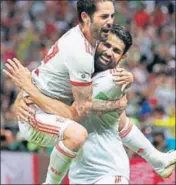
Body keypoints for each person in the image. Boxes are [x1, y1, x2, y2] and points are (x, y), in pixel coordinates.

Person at [5, 24, 176, 184]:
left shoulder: (112, 80)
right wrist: (22, 98)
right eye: (106, 45)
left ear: (123, 57)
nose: (109, 52)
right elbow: (123, 126)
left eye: (116, 50)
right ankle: (158, 160)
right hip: (80, 174)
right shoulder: (81, 70)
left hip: (107, 174)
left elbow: (73, 110)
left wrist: (29, 88)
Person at [4, 0, 127, 184]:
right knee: (78, 134)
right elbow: (75, 112)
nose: (110, 21)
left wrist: (26, 89)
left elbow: (44, 76)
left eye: (111, 15)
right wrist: (115, 105)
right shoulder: (80, 51)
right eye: (104, 16)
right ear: (85, 17)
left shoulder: (93, 40)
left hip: (44, 105)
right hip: (35, 114)